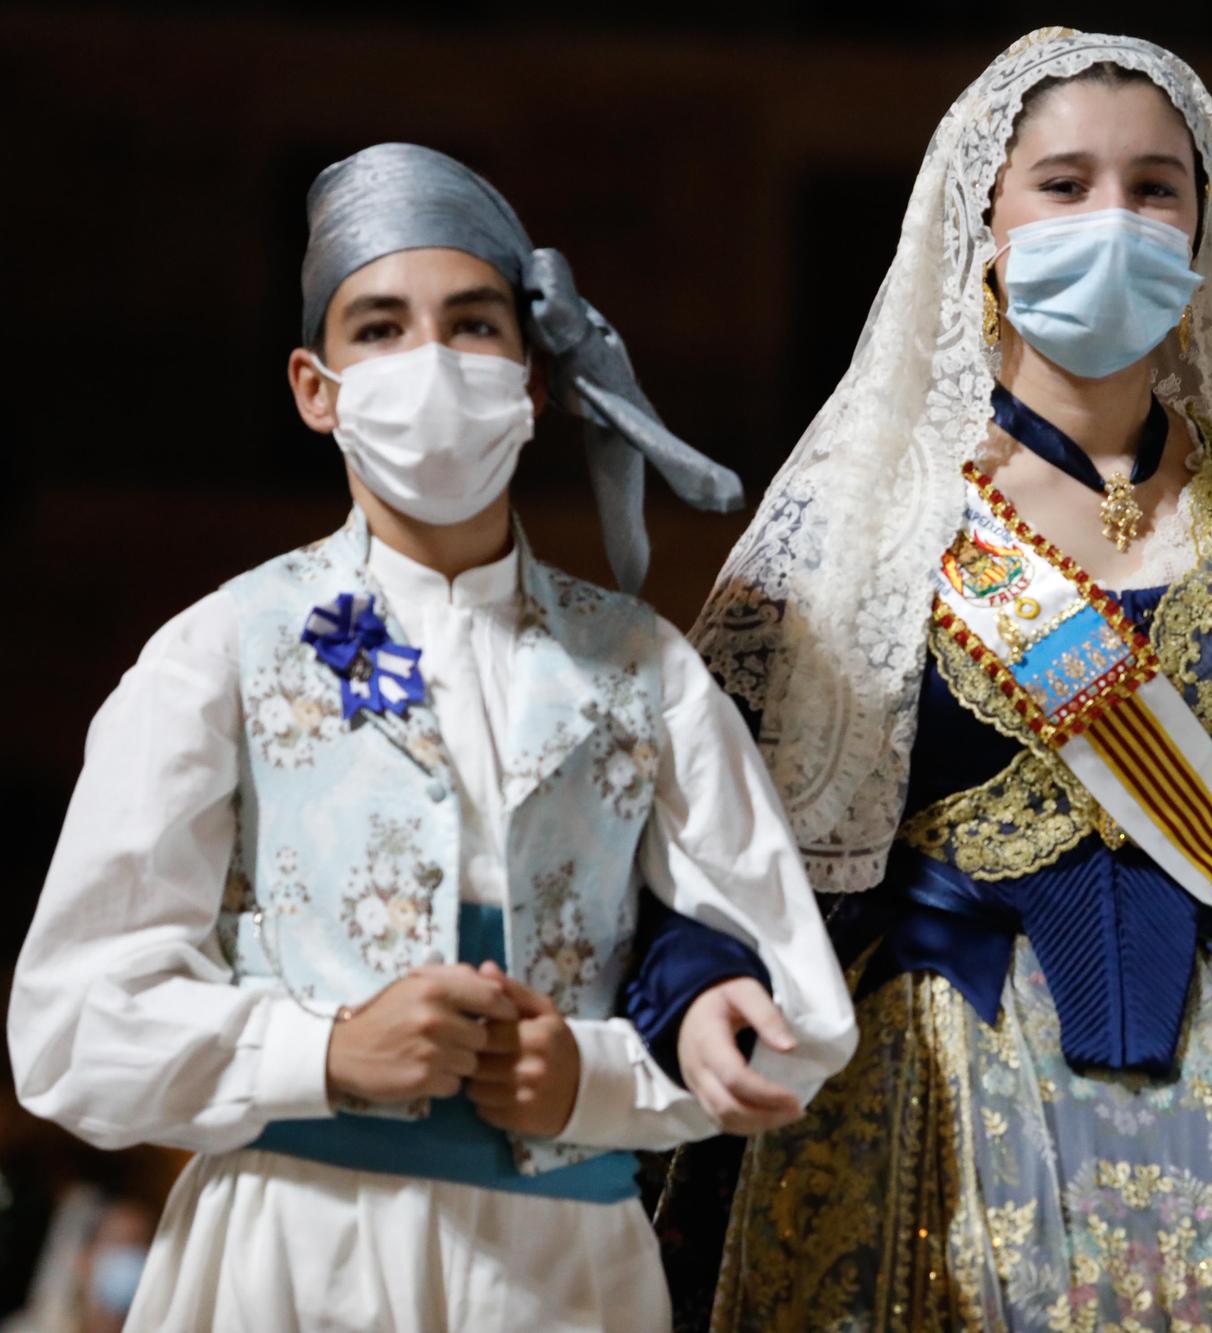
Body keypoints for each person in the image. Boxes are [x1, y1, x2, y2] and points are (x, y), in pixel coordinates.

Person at [632, 30, 1212, 1330]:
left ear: (1207, 228)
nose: (1115, 217)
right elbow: (717, 830)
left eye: (1155, 188)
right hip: (937, 1114)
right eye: (1066, 183)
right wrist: (702, 992)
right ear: (984, 218)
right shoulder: (872, 530)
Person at [7, 142, 855, 1331]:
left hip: (562, 1272)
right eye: (380, 328)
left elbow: (793, 1014)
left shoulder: (640, 663)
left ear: (533, 378)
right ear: (316, 387)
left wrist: (596, 1078)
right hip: (291, 1251)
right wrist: (324, 1052)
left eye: (471, 324)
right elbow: (70, 1024)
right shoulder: (224, 650)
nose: (431, 365)